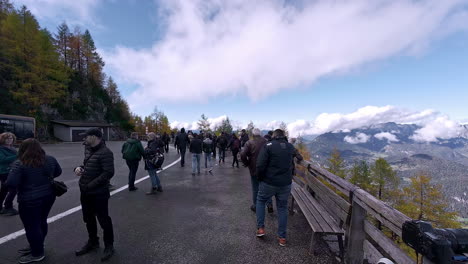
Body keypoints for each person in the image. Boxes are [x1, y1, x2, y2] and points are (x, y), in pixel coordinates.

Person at [6, 139, 61, 263]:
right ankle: (37, 245)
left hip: (29, 199)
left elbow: (11, 183)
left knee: (32, 226)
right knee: (41, 221)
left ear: (22, 149)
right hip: (48, 195)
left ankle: (37, 253)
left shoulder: (19, 163)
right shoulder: (50, 159)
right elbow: (58, 172)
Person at [255, 129, 303, 247]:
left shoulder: (268, 146)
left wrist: (260, 178)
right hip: (285, 184)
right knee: (282, 208)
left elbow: (260, 165)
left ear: (274, 136)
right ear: (284, 136)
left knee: (260, 201)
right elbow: (299, 157)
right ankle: (282, 237)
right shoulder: (290, 146)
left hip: (269, 182)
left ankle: (261, 229)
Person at [74, 128, 115, 262]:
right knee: (88, 218)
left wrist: (90, 185)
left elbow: (108, 172)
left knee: (103, 220)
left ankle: (109, 246)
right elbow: (89, 165)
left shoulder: (105, 152)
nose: (84, 139)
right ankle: (93, 242)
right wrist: (78, 168)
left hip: (98, 193)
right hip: (85, 192)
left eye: (86, 136)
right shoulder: (89, 150)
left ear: (95, 137)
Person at [240, 128, 273, 213]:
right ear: (260, 134)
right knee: (266, 187)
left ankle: (255, 206)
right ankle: (269, 204)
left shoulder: (249, 143)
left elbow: (243, 154)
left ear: (252, 135)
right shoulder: (267, 142)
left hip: (254, 168)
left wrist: (247, 163)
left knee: (255, 188)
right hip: (266, 169)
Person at [0, 132, 18, 216]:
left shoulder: (12, 148)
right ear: (3, 139)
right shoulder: (1, 149)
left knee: (4, 190)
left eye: (11, 138)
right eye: (7, 138)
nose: (9, 140)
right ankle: (8, 206)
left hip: (12, 171)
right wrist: (17, 156)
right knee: (13, 189)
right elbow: (3, 160)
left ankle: (2, 207)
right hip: (4, 172)